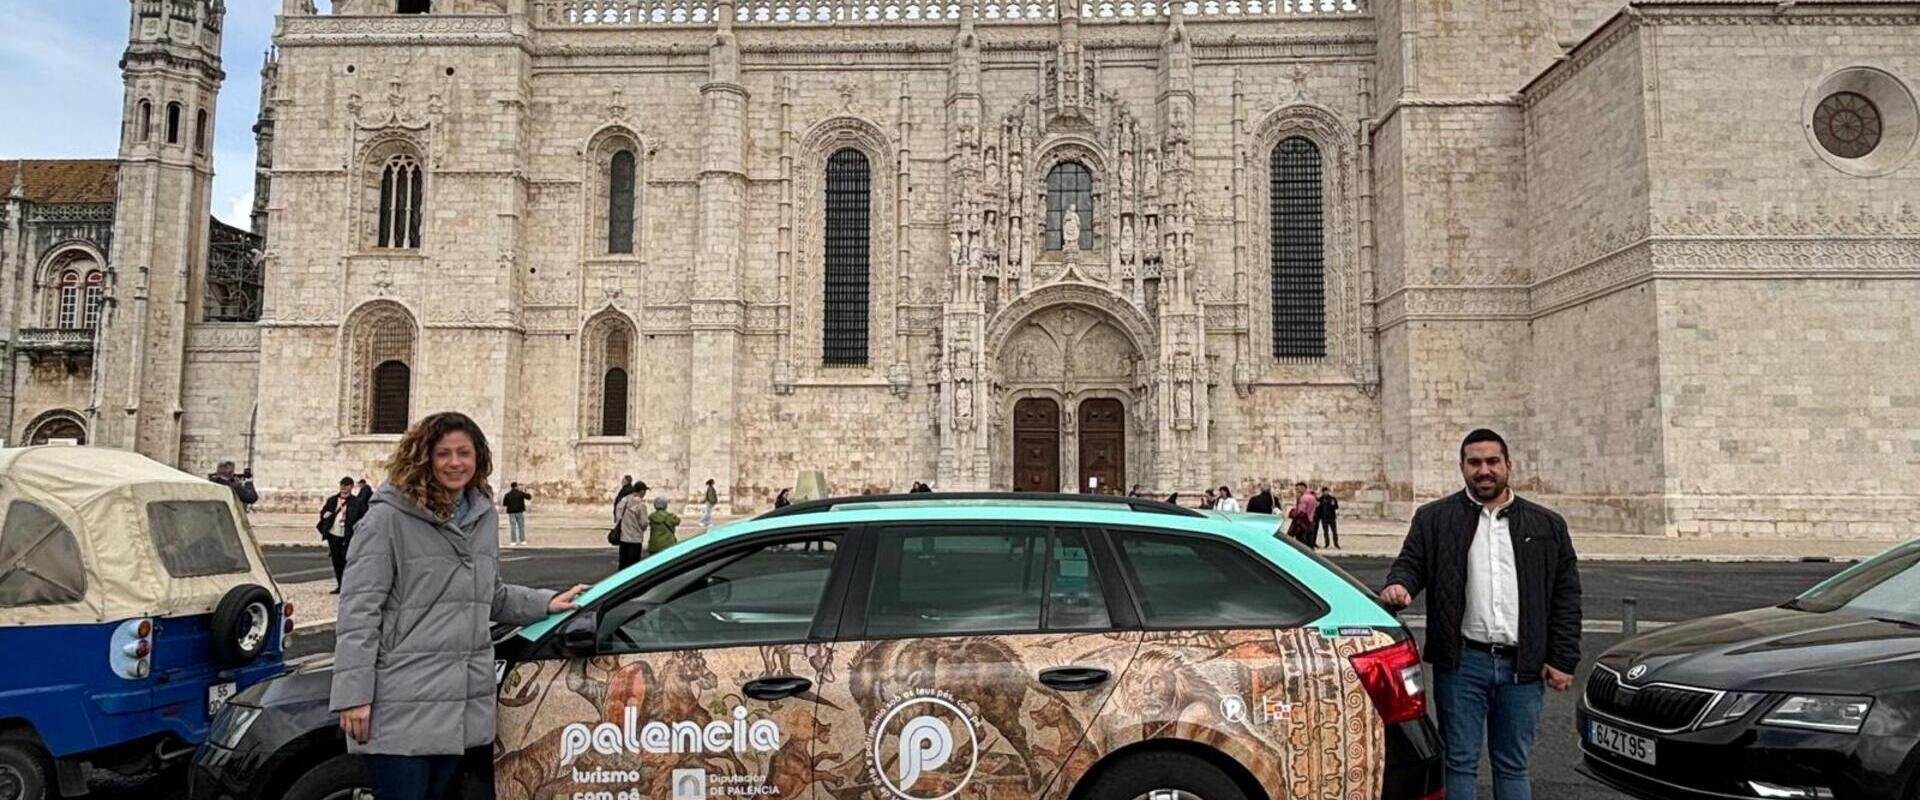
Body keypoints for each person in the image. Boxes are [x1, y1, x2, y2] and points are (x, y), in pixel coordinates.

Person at [331, 412, 588, 800]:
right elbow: (358, 612)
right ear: (424, 458)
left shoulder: (479, 516)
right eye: (443, 454)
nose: (455, 463)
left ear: (478, 458)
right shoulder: (387, 519)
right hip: (401, 700)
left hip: (458, 702)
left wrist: (546, 602)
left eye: (464, 453)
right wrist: (354, 695)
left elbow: (490, 595)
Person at [1380, 428, 1582, 800]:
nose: (1484, 470)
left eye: (1492, 462)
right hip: (1462, 664)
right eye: (1474, 463)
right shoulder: (1434, 519)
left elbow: (1565, 595)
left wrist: (1563, 659)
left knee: (1512, 764)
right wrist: (1400, 585)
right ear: (1462, 468)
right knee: (1458, 761)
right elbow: (1411, 564)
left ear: (1508, 465)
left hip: (1523, 666)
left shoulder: (1546, 525)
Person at [316, 477, 357, 593]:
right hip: (333, 534)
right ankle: (340, 585)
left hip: (347, 536)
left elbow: (361, 518)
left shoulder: (356, 502)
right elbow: (323, 512)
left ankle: (348, 585)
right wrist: (325, 515)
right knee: (336, 561)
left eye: (346, 486)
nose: (343, 488)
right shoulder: (332, 500)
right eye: (342, 485)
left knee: (347, 561)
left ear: (351, 487)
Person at [615, 482, 650, 568]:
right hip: (635, 539)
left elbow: (618, 515)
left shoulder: (624, 500)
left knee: (623, 565)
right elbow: (644, 522)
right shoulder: (641, 505)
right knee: (633, 566)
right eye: (645, 491)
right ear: (641, 491)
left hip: (623, 537)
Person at [1285, 482, 1318, 548]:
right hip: (1311, 522)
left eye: (1297, 489)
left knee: (1301, 545)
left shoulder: (1303, 498)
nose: (1296, 491)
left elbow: (1301, 513)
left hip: (1303, 525)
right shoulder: (1312, 497)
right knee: (1309, 545)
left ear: (1303, 488)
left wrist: (1291, 512)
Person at [502, 482, 531, 547]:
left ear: (511, 487)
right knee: (521, 527)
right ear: (516, 486)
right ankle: (522, 540)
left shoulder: (507, 494)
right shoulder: (521, 493)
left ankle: (513, 541)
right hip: (519, 512)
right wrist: (525, 491)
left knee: (513, 527)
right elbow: (529, 497)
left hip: (511, 512)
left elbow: (505, 504)